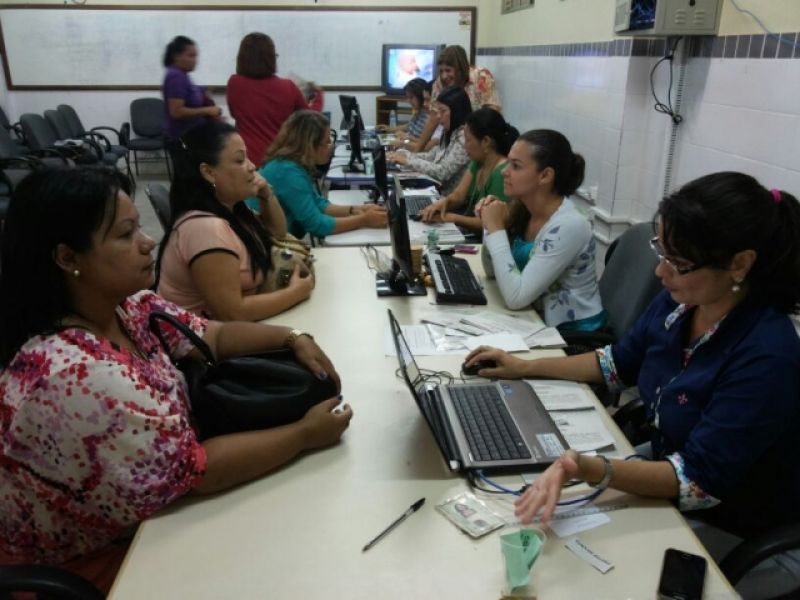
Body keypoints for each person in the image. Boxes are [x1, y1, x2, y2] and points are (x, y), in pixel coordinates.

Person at [0, 167, 353, 594]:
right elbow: (196, 471)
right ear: (67, 258)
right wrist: (304, 435)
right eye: (126, 234)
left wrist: (293, 337)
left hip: (148, 516)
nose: (148, 241)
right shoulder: (77, 375)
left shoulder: (129, 307)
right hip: (95, 563)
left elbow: (211, 335)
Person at [466, 172, 800, 543]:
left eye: (678, 262)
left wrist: (590, 469)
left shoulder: (767, 355)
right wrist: (524, 366)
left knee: (570, 541)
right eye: (662, 252)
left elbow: (698, 481)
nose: (660, 272)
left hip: (728, 519)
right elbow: (616, 363)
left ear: (740, 264)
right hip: (664, 462)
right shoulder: (682, 305)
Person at [156, 121, 313, 321]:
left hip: (236, 329)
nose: (252, 166)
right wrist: (296, 293)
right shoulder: (205, 228)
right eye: (240, 160)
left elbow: (278, 232)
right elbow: (232, 313)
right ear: (209, 172)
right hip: (208, 338)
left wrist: (266, 195)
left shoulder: (232, 208)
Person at [478, 129, 605, 331]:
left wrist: (496, 229)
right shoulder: (523, 208)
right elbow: (492, 271)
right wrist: (490, 224)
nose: (504, 171)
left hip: (571, 335)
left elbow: (515, 298)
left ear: (545, 175)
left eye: (515, 166)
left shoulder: (570, 225)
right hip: (532, 319)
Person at [260, 110, 388, 240]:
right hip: (271, 244)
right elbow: (316, 225)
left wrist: (356, 209)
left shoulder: (293, 164)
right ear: (309, 145)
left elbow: (318, 203)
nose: (331, 146)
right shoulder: (288, 172)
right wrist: (364, 220)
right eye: (326, 142)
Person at [227, 33, 323, 166]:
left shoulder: (234, 83)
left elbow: (235, 113)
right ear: (271, 58)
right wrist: (318, 95)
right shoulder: (287, 87)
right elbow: (311, 119)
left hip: (246, 161)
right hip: (278, 160)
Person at [419, 108, 518, 235]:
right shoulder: (477, 162)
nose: (465, 146)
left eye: (468, 140)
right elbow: (458, 195)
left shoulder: (502, 173)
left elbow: (493, 223)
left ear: (486, 142)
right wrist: (444, 203)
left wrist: (453, 218)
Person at [387, 86, 472, 196]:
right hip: (437, 191)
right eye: (438, 111)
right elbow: (432, 156)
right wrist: (404, 155)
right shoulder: (449, 132)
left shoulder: (464, 137)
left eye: (443, 111)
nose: (438, 116)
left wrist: (408, 161)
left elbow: (443, 172)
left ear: (457, 111)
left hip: (446, 198)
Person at [413, 45, 500, 152]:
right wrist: (416, 151)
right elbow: (433, 119)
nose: (444, 76)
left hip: (481, 142)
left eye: (448, 70)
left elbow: (493, 114)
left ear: (460, 68)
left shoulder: (481, 77)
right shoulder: (439, 84)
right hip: (453, 142)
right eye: (441, 71)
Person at [162, 36, 222, 162]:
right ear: (177, 56)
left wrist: (201, 91)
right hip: (182, 139)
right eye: (191, 56)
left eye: (196, 56)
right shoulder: (176, 76)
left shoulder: (182, 75)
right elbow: (176, 112)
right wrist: (207, 110)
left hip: (191, 136)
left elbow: (188, 93)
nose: (195, 60)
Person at [389, 78, 434, 152]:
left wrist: (405, 139)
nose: (408, 101)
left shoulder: (430, 117)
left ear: (420, 96)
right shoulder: (419, 112)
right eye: (408, 97)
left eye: (411, 97)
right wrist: (388, 129)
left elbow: (424, 145)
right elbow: (408, 127)